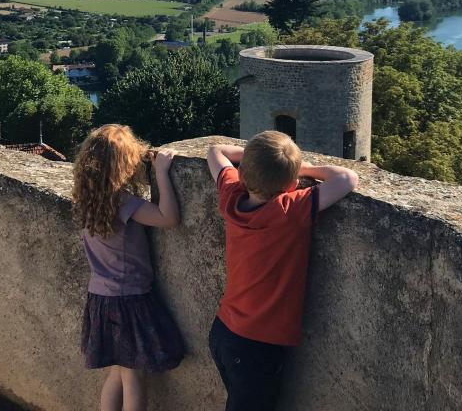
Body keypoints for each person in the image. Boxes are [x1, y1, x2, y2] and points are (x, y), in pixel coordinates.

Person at [206, 131, 359, 411]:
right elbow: (348, 178)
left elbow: (216, 151)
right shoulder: (290, 209)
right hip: (257, 345)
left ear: (245, 174)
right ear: (292, 183)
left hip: (224, 332)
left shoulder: (231, 196)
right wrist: (302, 167)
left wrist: (258, 163)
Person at [72, 124, 184, 411]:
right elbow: (168, 218)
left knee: (117, 371)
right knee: (133, 376)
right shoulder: (124, 203)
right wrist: (160, 172)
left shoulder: (87, 201)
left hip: (100, 298)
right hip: (128, 300)